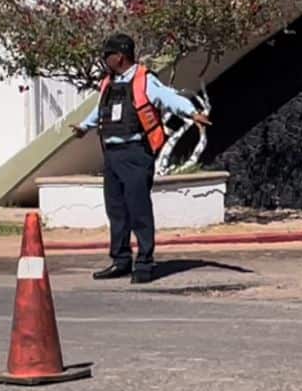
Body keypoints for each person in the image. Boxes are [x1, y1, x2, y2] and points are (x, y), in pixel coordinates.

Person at [71, 34, 210, 283]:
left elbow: (170, 97)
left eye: (107, 55)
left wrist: (192, 112)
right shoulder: (109, 83)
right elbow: (99, 111)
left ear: (120, 56)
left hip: (135, 152)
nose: (105, 60)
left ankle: (145, 263)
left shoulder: (144, 80)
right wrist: (84, 127)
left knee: (138, 210)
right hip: (112, 154)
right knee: (117, 210)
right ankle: (121, 260)